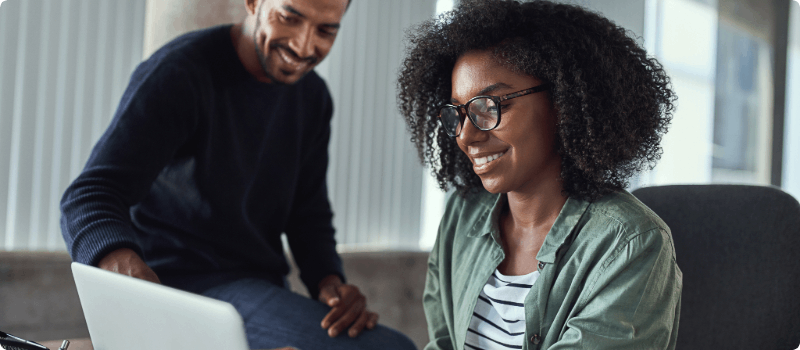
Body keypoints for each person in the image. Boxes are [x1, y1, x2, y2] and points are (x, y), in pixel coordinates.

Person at [60, 0, 416, 349]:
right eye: (289, 18)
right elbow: (90, 194)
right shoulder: (181, 72)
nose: (304, 45)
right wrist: (125, 274)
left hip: (258, 289)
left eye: (325, 30)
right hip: (178, 289)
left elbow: (309, 216)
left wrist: (329, 282)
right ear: (253, 3)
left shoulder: (313, 98)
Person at [397, 0, 682, 349]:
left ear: (563, 102)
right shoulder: (462, 213)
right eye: (458, 114)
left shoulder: (629, 243)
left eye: (490, 107)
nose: (467, 136)